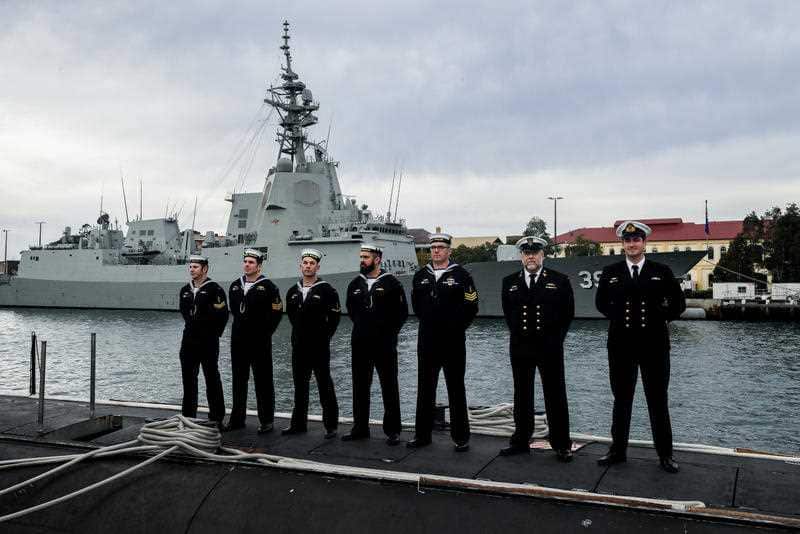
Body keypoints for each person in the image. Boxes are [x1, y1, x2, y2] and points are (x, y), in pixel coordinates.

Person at [595, 220, 686, 473]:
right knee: (621, 400)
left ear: (644, 243)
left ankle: (665, 455)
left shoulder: (662, 271)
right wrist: (620, 317)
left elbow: (678, 304)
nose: (632, 244)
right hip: (621, 345)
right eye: (627, 240)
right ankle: (617, 451)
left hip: (654, 346)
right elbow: (601, 303)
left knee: (658, 400)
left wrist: (659, 315)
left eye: (636, 240)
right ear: (622, 244)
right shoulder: (611, 271)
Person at [500, 236, 575, 461]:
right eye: (526, 252)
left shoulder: (559, 280)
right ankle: (521, 440)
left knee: (555, 394)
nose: (530, 256)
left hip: (549, 346)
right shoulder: (509, 282)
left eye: (535, 252)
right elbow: (508, 314)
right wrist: (519, 336)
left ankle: (561, 443)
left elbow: (567, 314)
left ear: (543, 255)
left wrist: (555, 340)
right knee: (522, 394)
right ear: (521, 256)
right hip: (521, 346)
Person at [408, 233, 479, 452]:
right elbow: (417, 307)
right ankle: (422, 436)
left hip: (453, 342)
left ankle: (460, 438)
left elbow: (471, 306)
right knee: (425, 389)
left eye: (440, 247)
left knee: (456, 388)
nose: (436, 251)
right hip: (428, 341)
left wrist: (455, 328)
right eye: (433, 247)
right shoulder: (420, 276)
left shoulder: (462, 275)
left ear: (449, 250)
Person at [343, 244, 408, 445]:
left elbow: (401, 313)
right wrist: (365, 328)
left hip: (384, 344)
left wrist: (386, 333)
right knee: (360, 386)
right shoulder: (355, 284)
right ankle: (360, 428)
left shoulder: (392, 284)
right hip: (360, 343)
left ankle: (393, 431)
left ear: (377, 259)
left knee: (389, 386)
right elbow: (351, 310)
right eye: (361, 256)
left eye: (366, 257)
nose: (362, 260)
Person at [283, 248, 341, 439]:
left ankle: (331, 426)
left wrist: (323, 337)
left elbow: (334, 318)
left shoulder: (327, 290)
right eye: (305, 263)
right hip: (299, 346)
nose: (308, 266)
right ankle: (298, 424)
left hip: (319, 346)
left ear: (317, 266)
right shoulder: (293, 291)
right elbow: (292, 316)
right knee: (300, 386)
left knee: (325, 385)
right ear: (301, 266)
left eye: (312, 263)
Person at [224, 249, 283, 433]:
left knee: (263, 381)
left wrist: (265, 333)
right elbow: (235, 310)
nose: (247, 265)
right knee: (238, 381)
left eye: (251, 262)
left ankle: (266, 421)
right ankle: (237, 419)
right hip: (239, 341)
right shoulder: (235, 286)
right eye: (246, 261)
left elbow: (276, 313)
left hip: (260, 342)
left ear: (259, 266)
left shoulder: (269, 287)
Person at [178, 255, 228, 427]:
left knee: (212, 379)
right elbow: (184, 312)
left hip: (208, 342)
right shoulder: (185, 290)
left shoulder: (215, 290)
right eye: (190, 266)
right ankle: (188, 417)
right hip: (189, 342)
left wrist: (212, 334)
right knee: (189, 381)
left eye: (195, 267)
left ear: (204, 269)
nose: (192, 269)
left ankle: (216, 418)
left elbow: (222, 315)